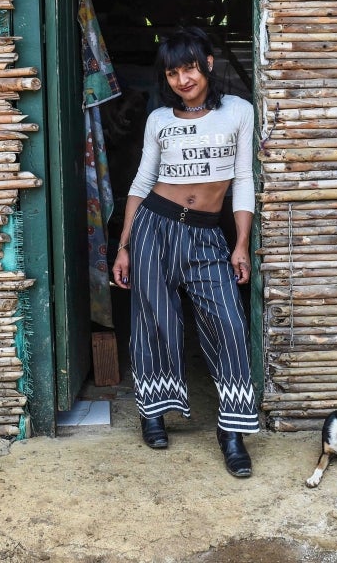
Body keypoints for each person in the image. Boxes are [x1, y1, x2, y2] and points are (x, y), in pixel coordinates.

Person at [111, 26, 261, 478]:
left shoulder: (238, 111)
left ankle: (231, 432)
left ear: (208, 64)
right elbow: (141, 183)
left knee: (229, 324)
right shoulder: (159, 119)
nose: (183, 79)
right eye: (173, 73)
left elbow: (243, 179)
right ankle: (152, 412)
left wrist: (240, 244)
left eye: (190, 68)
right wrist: (124, 246)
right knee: (154, 320)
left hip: (205, 235)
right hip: (154, 227)